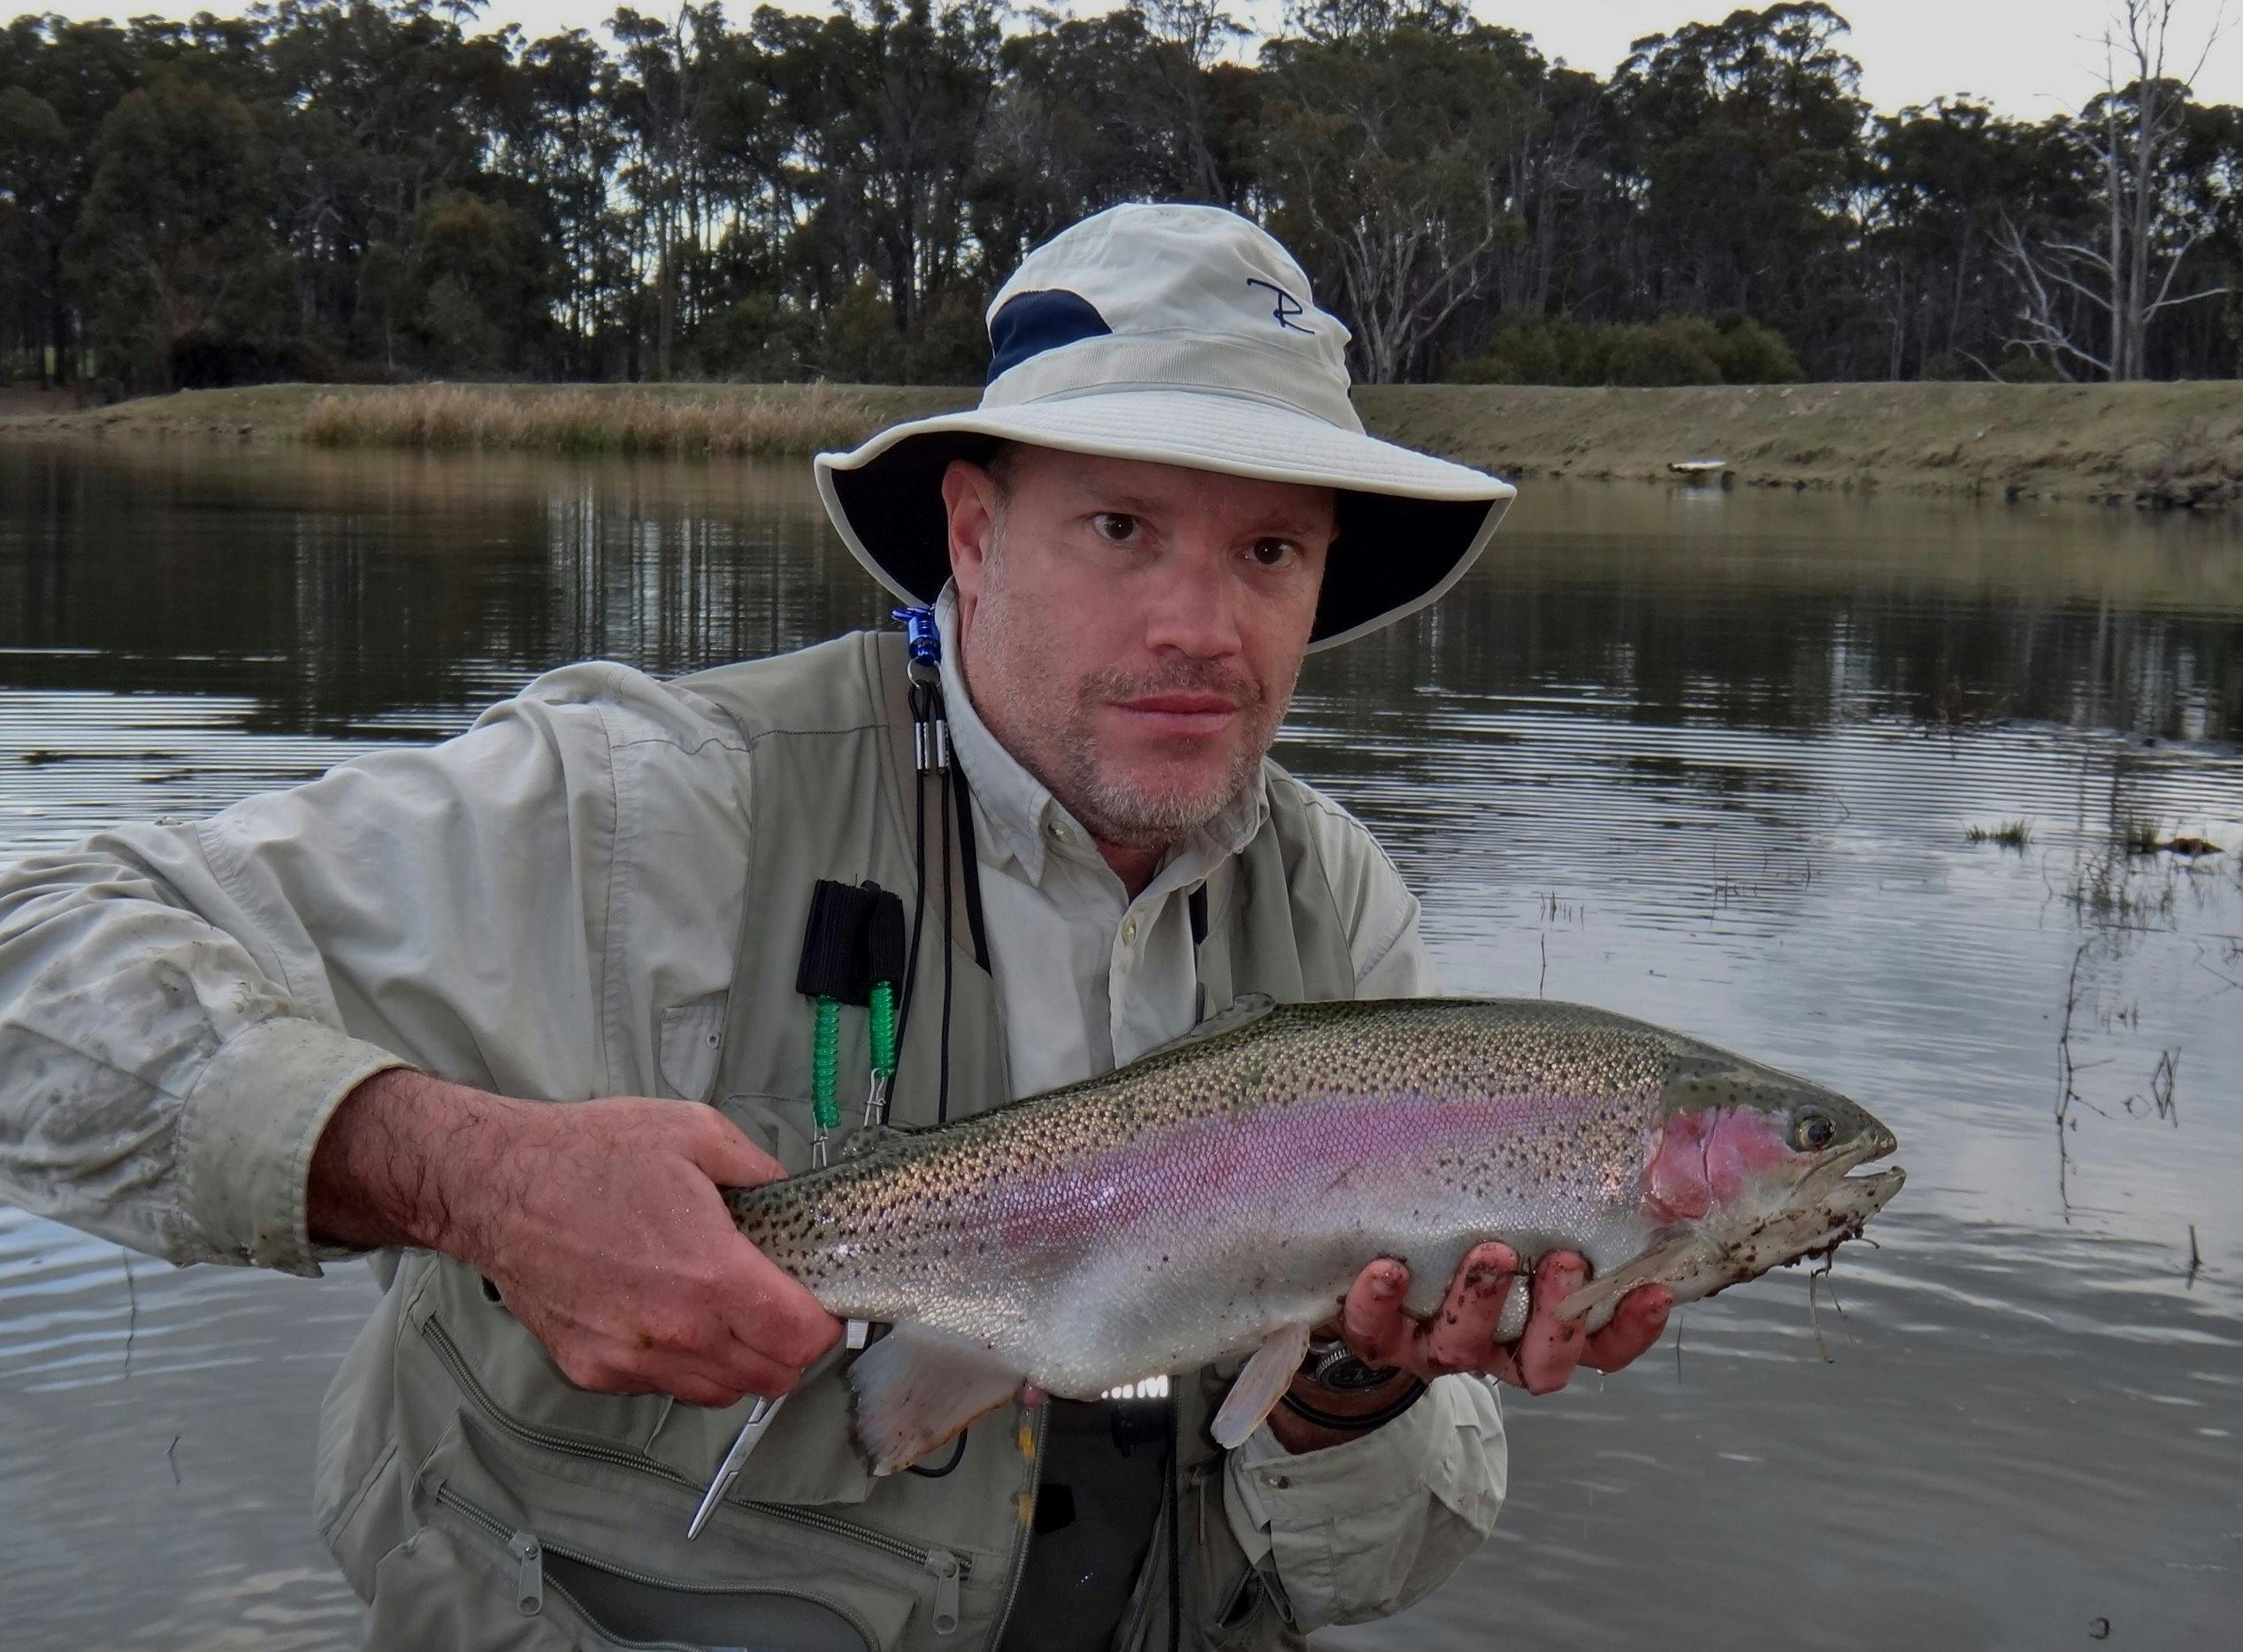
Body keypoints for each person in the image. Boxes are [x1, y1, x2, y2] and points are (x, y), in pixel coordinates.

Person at [0, 203, 1667, 1649]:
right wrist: (465, 1173)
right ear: (970, 532)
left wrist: (1351, 1388)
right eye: (1120, 529)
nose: (1198, 624)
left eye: (1270, 550)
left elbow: (1378, 1565)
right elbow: (32, 941)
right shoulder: (659, 810)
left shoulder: (1342, 908)